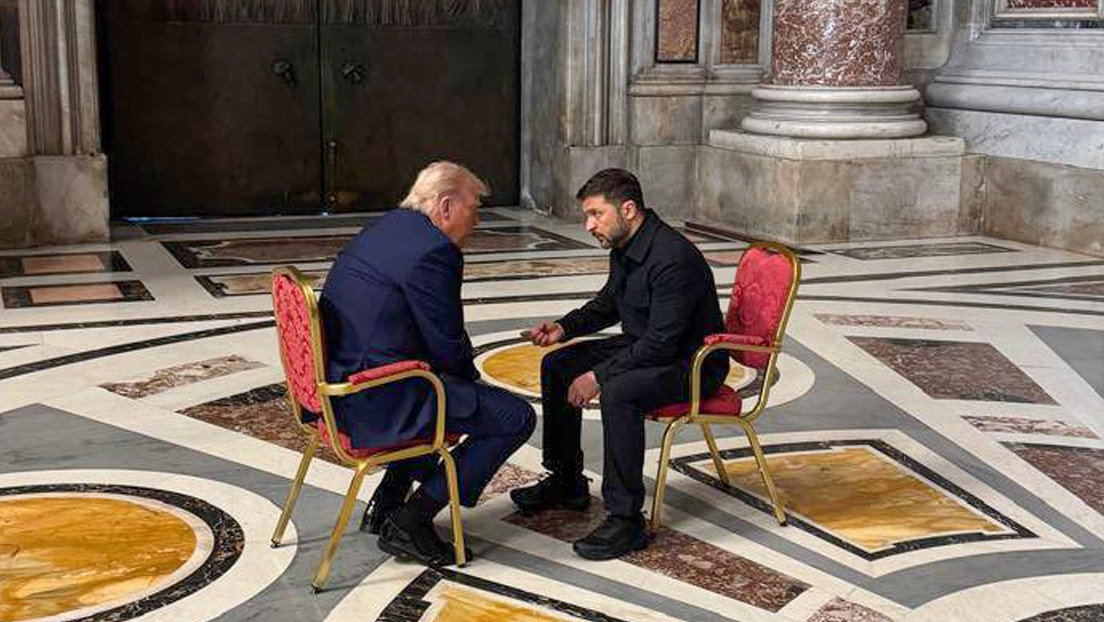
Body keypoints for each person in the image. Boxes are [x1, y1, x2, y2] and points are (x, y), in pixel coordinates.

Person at [319, 161, 536, 566]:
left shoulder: (387, 228)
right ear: (446, 205)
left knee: (443, 389)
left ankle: (386, 501)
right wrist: (473, 388)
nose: (476, 222)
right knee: (514, 417)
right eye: (474, 209)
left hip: (341, 387)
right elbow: (448, 344)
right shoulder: (434, 251)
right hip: (377, 398)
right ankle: (411, 519)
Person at [511, 168, 729, 560]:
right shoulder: (626, 245)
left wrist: (598, 376)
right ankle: (566, 480)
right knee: (558, 365)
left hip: (692, 363)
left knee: (619, 391)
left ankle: (626, 519)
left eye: (596, 214)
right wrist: (564, 328)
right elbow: (610, 303)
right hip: (648, 346)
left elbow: (663, 344)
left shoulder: (673, 259)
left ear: (627, 209)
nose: (589, 225)